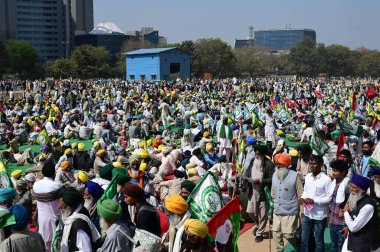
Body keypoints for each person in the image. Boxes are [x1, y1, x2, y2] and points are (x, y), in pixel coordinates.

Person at [300, 154, 332, 252]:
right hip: (307, 213)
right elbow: (305, 191)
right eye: (310, 164)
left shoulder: (326, 179)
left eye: (314, 164)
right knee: (304, 239)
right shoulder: (308, 177)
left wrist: (315, 201)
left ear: (321, 165)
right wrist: (302, 198)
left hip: (320, 215)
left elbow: (329, 198)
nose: (311, 166)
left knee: (318, 240)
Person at [271, 153, 303, 252]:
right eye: (277, 165)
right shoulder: (274, 175)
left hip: (290, 211)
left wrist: (301, 212)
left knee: (289, 235)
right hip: (277, 211)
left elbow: (301, 194)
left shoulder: (295, 176)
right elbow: (273, 193)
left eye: (281, 165)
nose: (279, 167)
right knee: (276, 234)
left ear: (286, 165)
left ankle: (298, 246)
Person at [342, 174, 380, 252]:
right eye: (351, 186)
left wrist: (345, 212)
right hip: (353, 241)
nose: (351, 190)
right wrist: (347, 227)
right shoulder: (357, 199)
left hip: (364, 245)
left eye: (354, 187)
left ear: (362, 190)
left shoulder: (368, 206)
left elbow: (354, 227)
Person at [244, 144, 274, 243]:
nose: (257, 155)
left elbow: (272, 179)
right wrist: (246, 179)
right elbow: (247, 173)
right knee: (250, 212)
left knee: (263, 214)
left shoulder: (269, 164)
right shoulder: (253, 161)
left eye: (258, 154)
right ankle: (258, 225)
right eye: (256, 153)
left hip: (263, 192)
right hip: (252, 191)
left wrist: (261, 181)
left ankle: (260, 233)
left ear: (263, 154)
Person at [32, 162, 63, 251]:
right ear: (54, 173)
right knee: (57, 244)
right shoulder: (57, 186)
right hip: (56, 220)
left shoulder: (36, 185)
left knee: (45, 245)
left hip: (42, 220)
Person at [59, 187, 100, 252]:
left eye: (64, 207)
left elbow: (86, 250)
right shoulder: (79, 211)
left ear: (71, 206)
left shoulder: (78, 224)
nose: (59, 207)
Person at [329, 160, 350, 252]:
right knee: (333, 247)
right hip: (333, 221)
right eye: (333, 170)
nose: (333, 173)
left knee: (341, 248)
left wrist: (347, 226)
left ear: (343, 172)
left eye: (336, 171)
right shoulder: (333, 183)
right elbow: (332, 202)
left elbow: (351, 203)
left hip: (343, 224)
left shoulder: (348, 185)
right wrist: (330, 219)